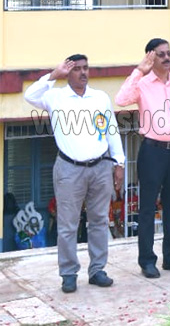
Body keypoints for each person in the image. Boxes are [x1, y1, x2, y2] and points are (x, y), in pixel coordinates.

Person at [24, 54, 125, 293]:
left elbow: (112, 130)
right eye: (77, 69)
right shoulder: (54, 97)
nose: (83, 73)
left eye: (85, 68)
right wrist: (52, 76)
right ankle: (68, 274)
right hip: (69, 169)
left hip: (101, 167)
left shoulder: (100, 97)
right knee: (68, 225)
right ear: (67, 73)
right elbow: (30, 95)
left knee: (99, 221)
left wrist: (118, 163)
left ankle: (97, 270)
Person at [115, 38, 170, 278]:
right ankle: (147, 261)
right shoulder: (142, 84)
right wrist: (139, 70)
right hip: (152, 152)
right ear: (150, 57)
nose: (167, 58)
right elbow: (121, 99)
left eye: (169, 53)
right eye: (161, 54)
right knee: (148, 208)